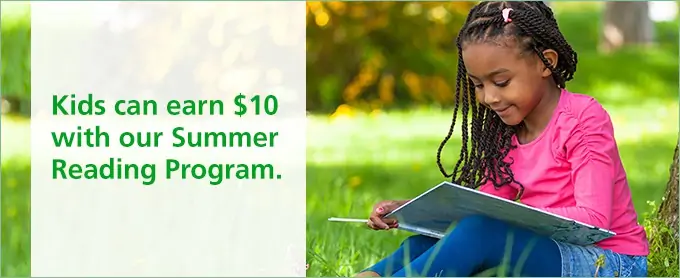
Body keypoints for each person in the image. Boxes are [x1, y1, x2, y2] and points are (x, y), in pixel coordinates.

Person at [356, 1, 649, 277]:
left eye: (501, 82)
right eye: (478, 85)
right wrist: (409, 209)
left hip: (611, 263)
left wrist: (506, 219)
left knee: (480, 233)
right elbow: (485, 207)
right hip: (551, 250)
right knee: (425, 243)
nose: (489, 97)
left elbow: (593, 219)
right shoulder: (504, 132)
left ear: (545, 62)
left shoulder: (582, 119)